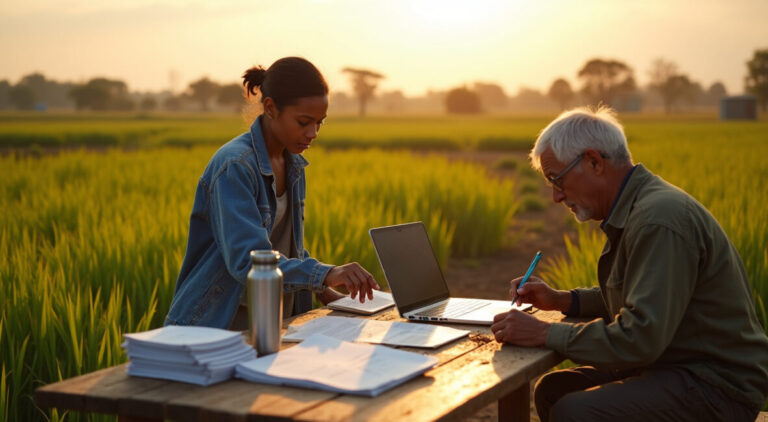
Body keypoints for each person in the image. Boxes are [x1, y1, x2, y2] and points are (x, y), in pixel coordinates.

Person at [490, 106, 768, 421]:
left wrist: (544, 333)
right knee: (554, 390)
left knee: (575, 411)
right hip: (678, 366)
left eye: (557, 180)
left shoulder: (657, 219)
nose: (556, 196)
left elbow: (641, 337)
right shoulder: (638, 207)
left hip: (717, 386)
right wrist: (561, 299)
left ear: (594, 162)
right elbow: (638, 293)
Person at [165, 57, 379, 329]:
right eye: (303, 122)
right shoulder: (236, 166)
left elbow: (286, 247)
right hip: (216, 326)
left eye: (320, 123)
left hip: (270, 322)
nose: (313, 133)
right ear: (270, 108)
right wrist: (326, 274)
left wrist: (326, 293)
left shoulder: (293, 164)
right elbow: (250, 261)